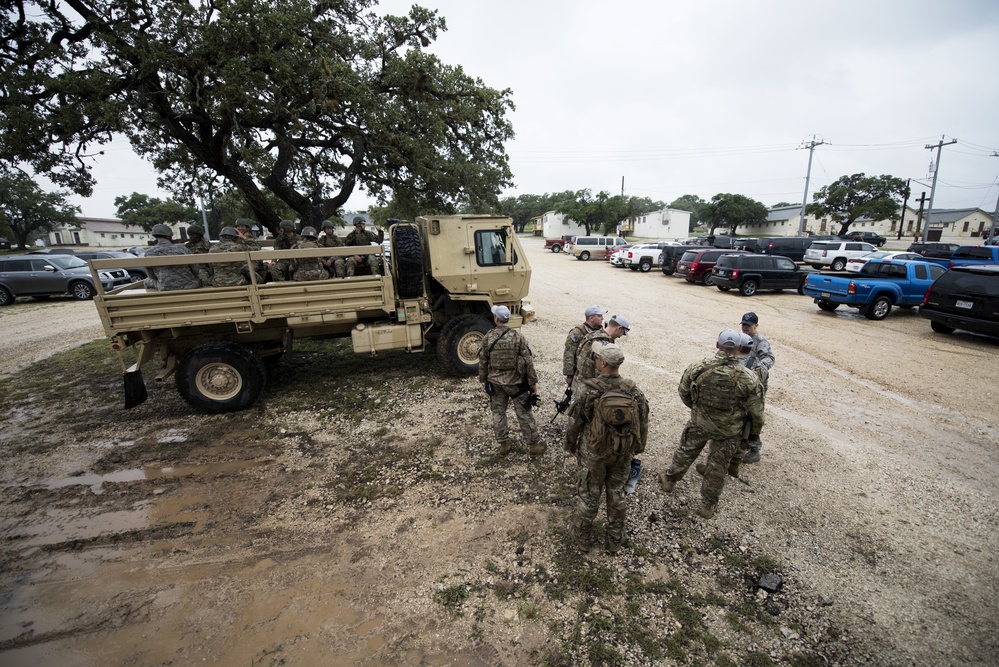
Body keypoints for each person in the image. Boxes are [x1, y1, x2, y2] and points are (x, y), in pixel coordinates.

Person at [659, 329, 764, 519]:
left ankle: (669, 480)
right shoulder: (749, 377)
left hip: (700, 422)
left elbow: (683, 392)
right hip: (729, 431)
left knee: (686, 452)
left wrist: (697, 409)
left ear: (717, 345)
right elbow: (757, 412)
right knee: (717, 468)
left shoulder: (698, 367)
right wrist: (753, 435)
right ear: (740, 349)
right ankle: (707, 506)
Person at [565, 343, 649, 554]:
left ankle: (583, 538)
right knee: (617, 495)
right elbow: (643, 421)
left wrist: (570, 444)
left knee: (590, 495)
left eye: (596, 358)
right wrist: (637, 448)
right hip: (622, 452)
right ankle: (614, 541)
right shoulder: (633, 391)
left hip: (594, 452)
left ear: (603, 363)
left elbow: (575, 421)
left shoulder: (587, 389)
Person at [477, 305, 542, 457]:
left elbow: (483, 361)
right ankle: (533, 446)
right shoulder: (518, 337)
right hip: (516, 384)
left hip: (496, 383)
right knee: (524, 414)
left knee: (498, 413)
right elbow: (528, 361)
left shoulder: (488, 337)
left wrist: (484, 380)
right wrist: (533, 383)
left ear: (496, 319)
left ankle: (504, 444)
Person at [739, 312, 774, 463]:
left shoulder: (760, 341)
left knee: (753, 416)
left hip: (755, 385)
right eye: (743, 325)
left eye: (748, 325)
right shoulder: (740, 339)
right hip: (740, 382)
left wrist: (759, 369)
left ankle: (754, 449)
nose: (745, 327)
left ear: (756, 326)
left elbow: (769, 358)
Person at [571, 314, 630, 397]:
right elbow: (603, 372)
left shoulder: (592, 334)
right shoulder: (605, 345)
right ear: (619, 328)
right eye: (622, 333)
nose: (620, 336)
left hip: (578, 384)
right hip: (589, 391)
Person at [143, 223, 201, 291]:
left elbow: (151, 276)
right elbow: (196, 271)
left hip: (165, 287)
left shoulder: (149, 253)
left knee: (147, 281)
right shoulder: (183, 250)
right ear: (169, 236)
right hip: (190, 285)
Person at [563, 305, 607, 386]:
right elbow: (569, 354)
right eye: (599, 316)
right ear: (591, 318)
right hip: (579, 375)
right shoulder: (577, 333)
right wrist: (569, 375)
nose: (602, 318)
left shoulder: (600, 332)